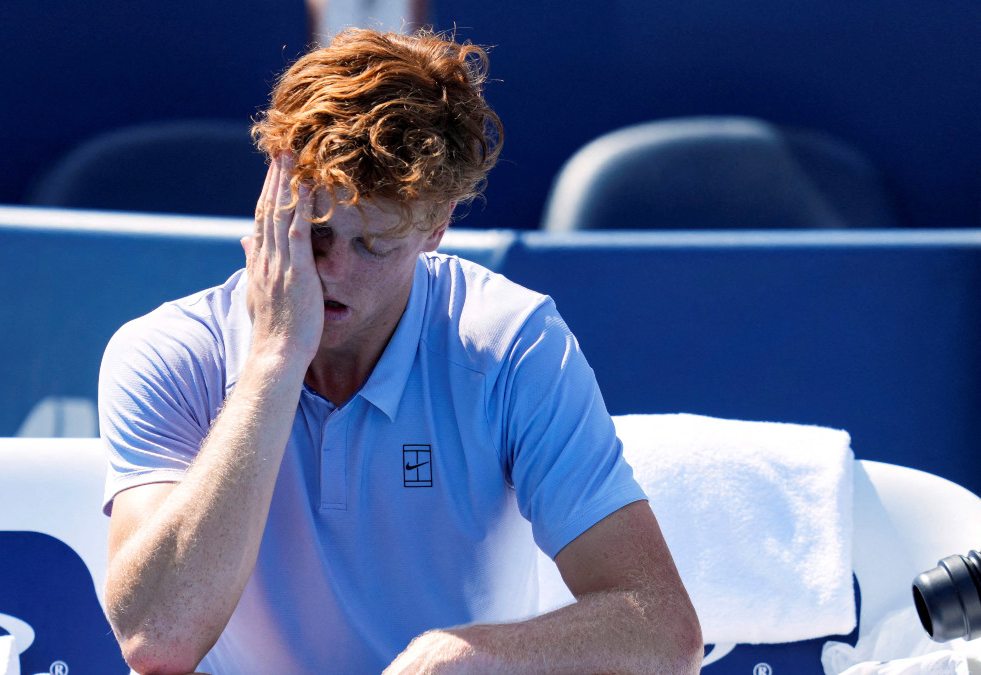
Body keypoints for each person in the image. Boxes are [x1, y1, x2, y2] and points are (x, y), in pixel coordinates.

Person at [98, 28, 703, 674]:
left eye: (373, 246)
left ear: (436, 224)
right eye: (316, 233)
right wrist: (275, 358)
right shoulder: (163, 352)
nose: (331, 271)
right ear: (271, 199)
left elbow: (664, 629)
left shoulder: (514, 345)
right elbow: (155, 636)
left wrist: (468, 657)